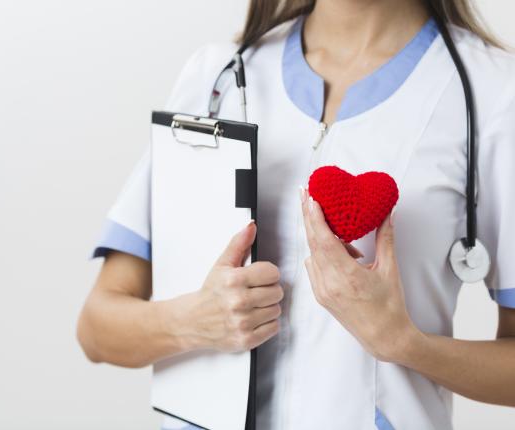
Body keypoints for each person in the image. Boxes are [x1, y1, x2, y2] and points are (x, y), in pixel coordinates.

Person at [77, 0, 515, 428]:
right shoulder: (216, 79)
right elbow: (98, 327)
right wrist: (195, 321)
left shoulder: (495, 93)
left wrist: (405, 344)